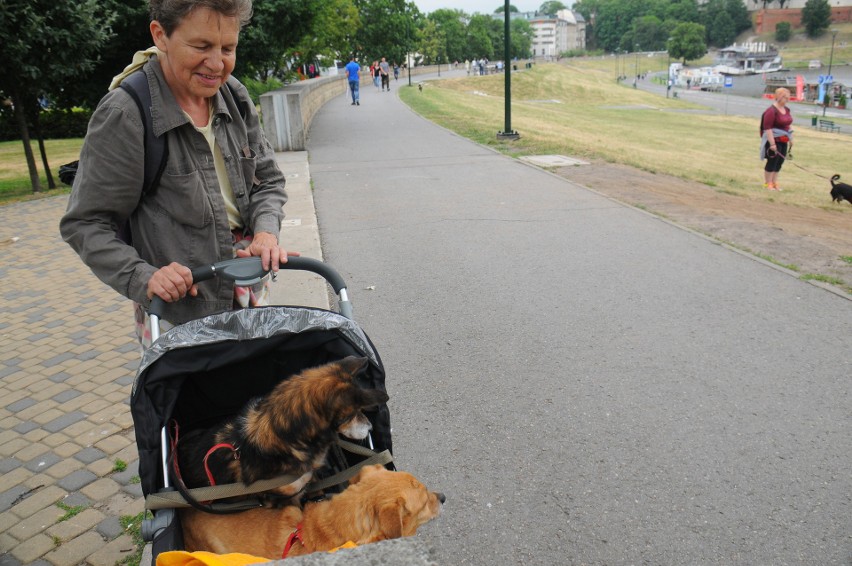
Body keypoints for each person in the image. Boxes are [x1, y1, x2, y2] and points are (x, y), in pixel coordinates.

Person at [59, 0, 297, 347]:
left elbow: (268, 180)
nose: (217, 64)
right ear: (160, 35)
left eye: (227, 48)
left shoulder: (234, 95)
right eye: (201, 47)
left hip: (248, 292)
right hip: (180, 317)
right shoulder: (125, 114)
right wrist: (145, 277)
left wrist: (265, 233)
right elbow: (85, 223)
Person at [760, 87, 794, 191]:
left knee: (779, 162)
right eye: (785, 98)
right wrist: (772, 144)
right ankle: (768, 183)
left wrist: (791, 138)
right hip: (774, 139)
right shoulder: (771, 111)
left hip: (784, 140)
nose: (787, 100)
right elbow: (768, 128)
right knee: (772, 161)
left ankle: (774, 182)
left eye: (788, 98)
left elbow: (788, 125)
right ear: (779, 97)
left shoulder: (787, 110)